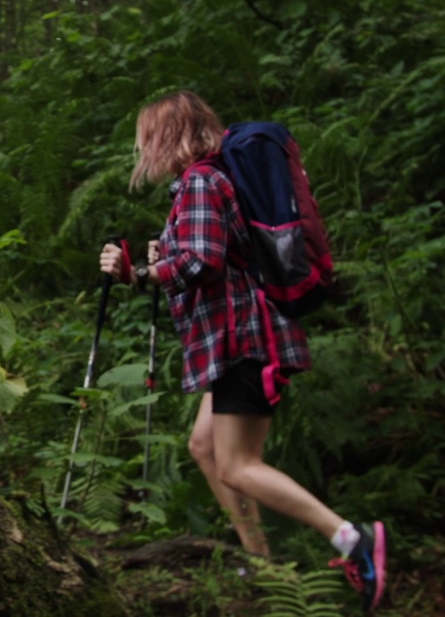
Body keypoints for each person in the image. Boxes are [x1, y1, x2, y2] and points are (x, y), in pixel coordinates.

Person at [98, 91, 386, 613]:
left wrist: (138, 274)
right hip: (235, 341)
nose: (144, 151)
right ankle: (262, 562)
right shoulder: (205, 182)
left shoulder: (201, 181)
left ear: (169, 136)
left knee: (237, 464)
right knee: (205, 448)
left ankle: (351, 538)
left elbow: (204, 261)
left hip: (243, 340)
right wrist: (164, 255)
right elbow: (209, 254)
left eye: (147, 139)